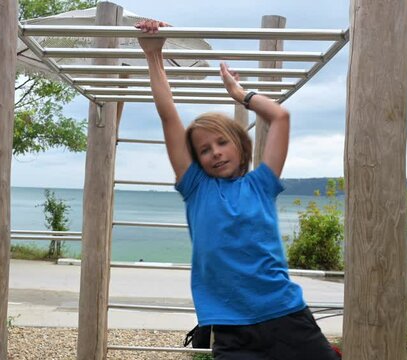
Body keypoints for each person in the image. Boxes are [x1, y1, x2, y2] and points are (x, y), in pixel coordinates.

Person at [136, 20, 340, 360]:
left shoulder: (261, 184)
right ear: (197, 161)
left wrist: (240, 94)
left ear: (240, 147)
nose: (214, 152)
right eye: (203, 150)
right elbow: (168, 115)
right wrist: (153, 55)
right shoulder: (196, 189)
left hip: (286, 316)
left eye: (221, 143)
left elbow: (281, 118)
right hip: (231, 330)